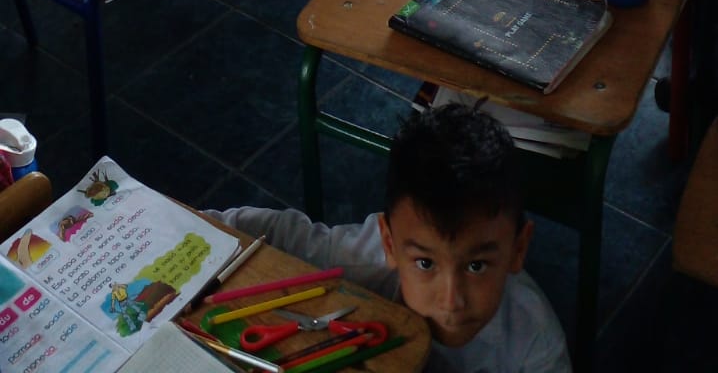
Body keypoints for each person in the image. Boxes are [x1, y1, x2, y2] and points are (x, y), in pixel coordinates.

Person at [207, 102, 570, 373]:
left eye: (476, 266)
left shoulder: (535, 344)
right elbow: (251, 228)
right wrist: (185, 230)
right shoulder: (362, 259)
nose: (451, 302)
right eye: (425, 263)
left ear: (518, 249)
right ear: (390, 243)